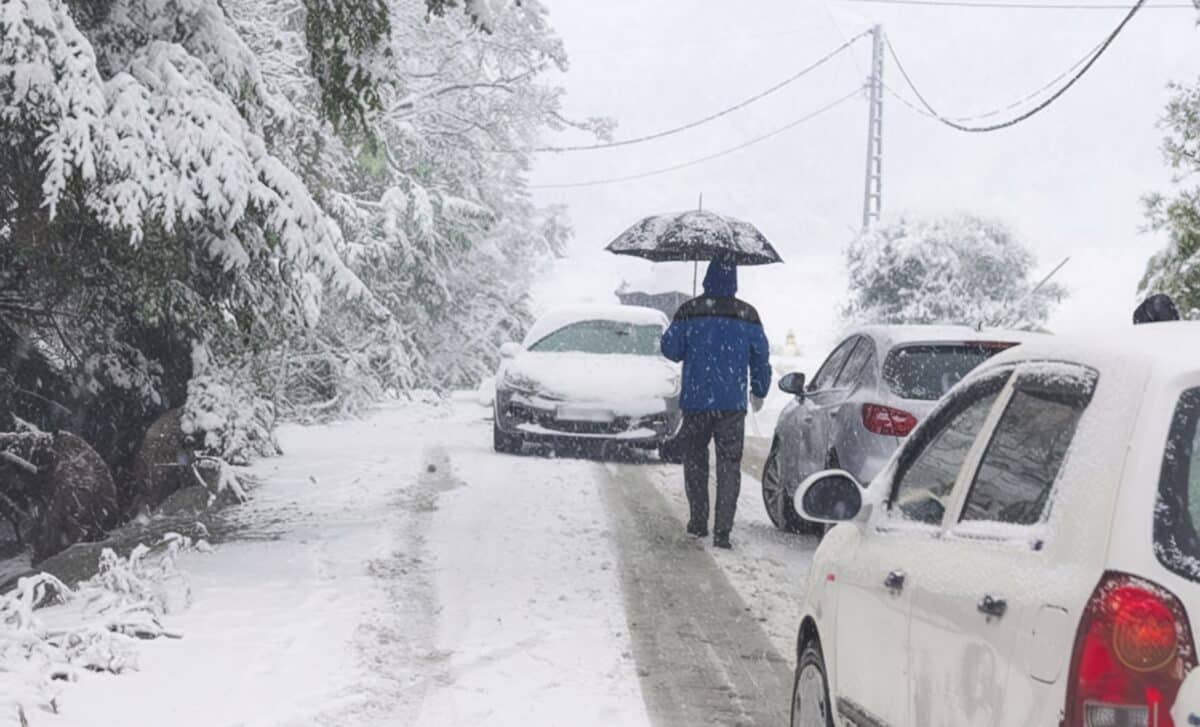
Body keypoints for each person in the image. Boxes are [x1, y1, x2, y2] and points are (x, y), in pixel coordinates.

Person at [660, 259, 771, 549]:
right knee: (729, 465)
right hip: (732, 405)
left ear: (706, 279)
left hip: (696, 402)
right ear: (734, 282)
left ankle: (698, 522)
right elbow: (760, 358)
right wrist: (760, 389)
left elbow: (670, 350)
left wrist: (685, 321)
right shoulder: (748, 315)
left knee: (695, 460)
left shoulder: (690, 311)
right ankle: (723, 531)